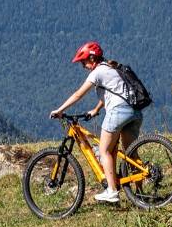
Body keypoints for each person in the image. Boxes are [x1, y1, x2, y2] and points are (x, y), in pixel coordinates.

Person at [49, 41, 142, 205]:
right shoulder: (111, 67)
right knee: (130, 155)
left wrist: (60, 110)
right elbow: (113, 92)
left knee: (104, 150)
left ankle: (112, 191)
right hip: (134, 112)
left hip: (118, 112)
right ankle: (140, 194)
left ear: (92, 58)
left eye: (84, 61)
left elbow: (78, 94)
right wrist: (96, 109)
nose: (83, 66)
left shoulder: (97, 72)